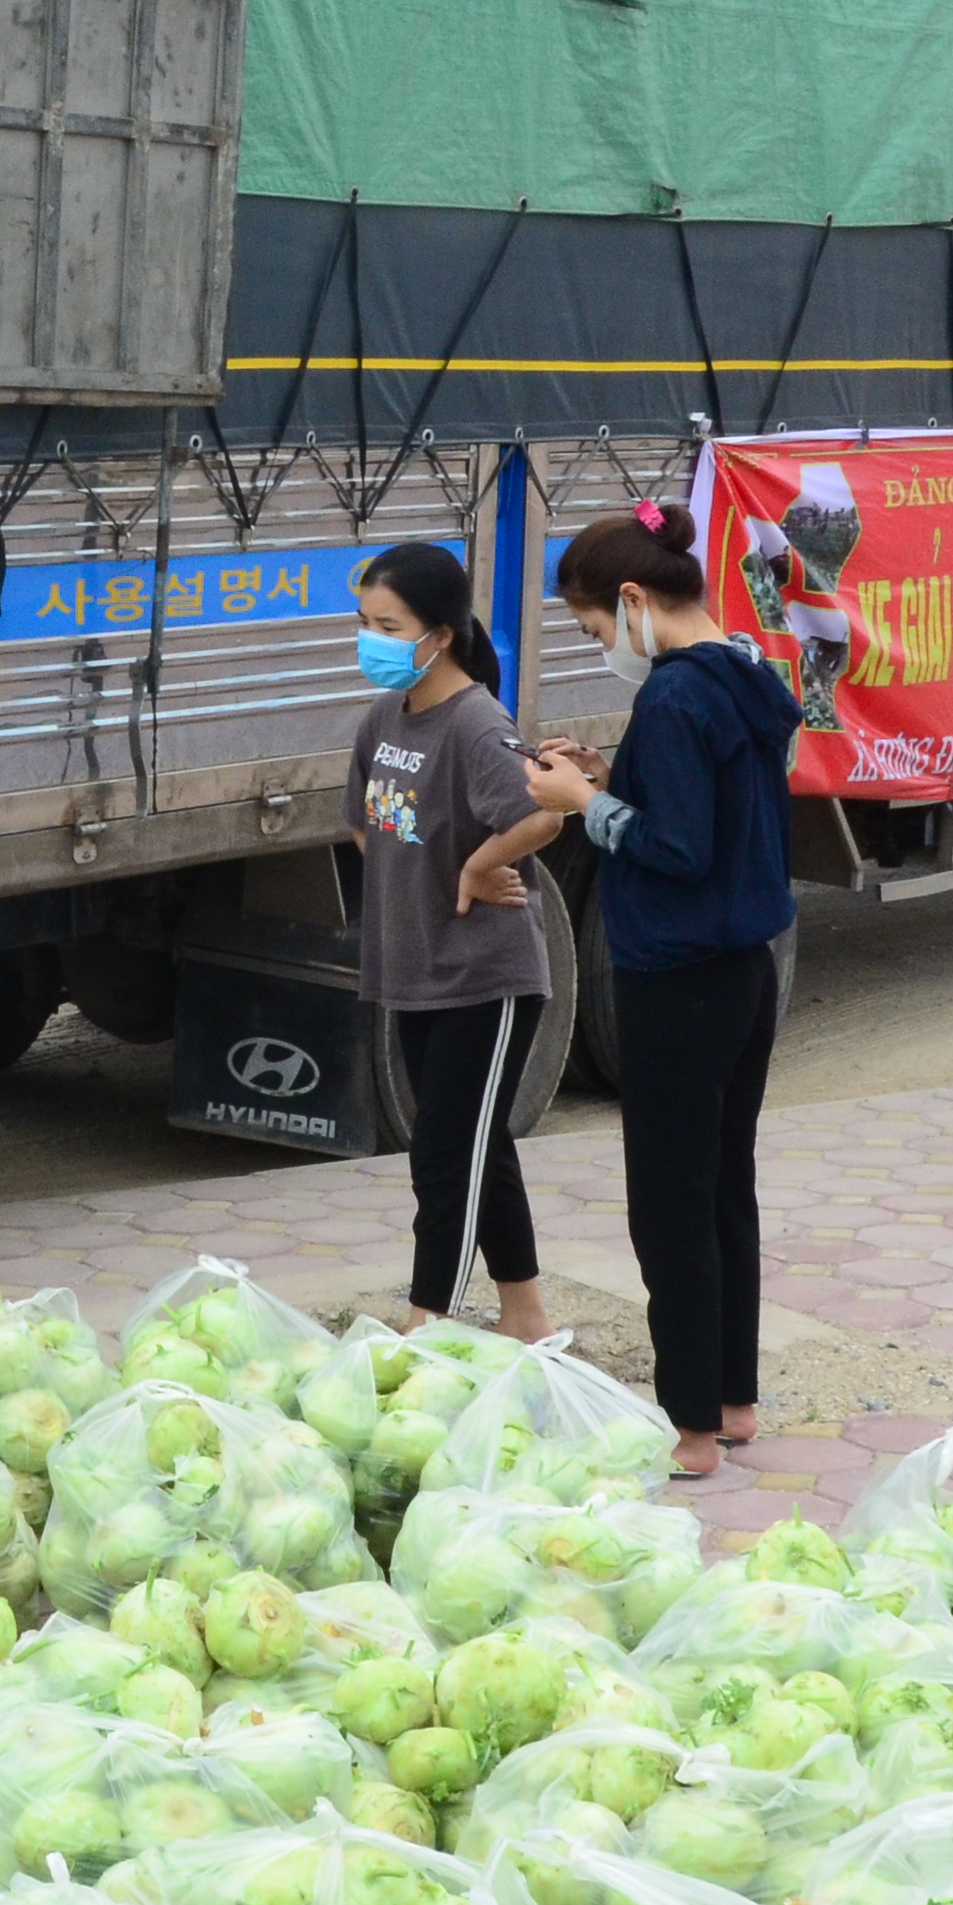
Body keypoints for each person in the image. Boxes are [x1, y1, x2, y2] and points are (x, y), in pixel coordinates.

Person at [524, 501, 801, 1483]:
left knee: (670, 1206)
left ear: (633, 601)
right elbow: (709, 814)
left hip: (677, 978)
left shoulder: (676, 699)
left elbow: (675, 850)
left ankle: (689, 1429)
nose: (602, 645)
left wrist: (580, 803)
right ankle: (732, 1398)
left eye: (597, 628)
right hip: (745, 970)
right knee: (724, 1187)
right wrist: (610, 784)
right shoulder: (742, 672)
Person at [347, 542, 565, 1346]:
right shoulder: (384, 718)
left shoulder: (477, 722)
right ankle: (528, 1320)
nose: (370, 638)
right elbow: (367, 827)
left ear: (438, 635)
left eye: (387, 624)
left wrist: (477, 866)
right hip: (412, 970)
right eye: (364, 622)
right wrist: (421, 880)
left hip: (485, 976)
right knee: (476, 1142)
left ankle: (427, 1325)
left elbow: (543, 810)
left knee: (442, 1158)